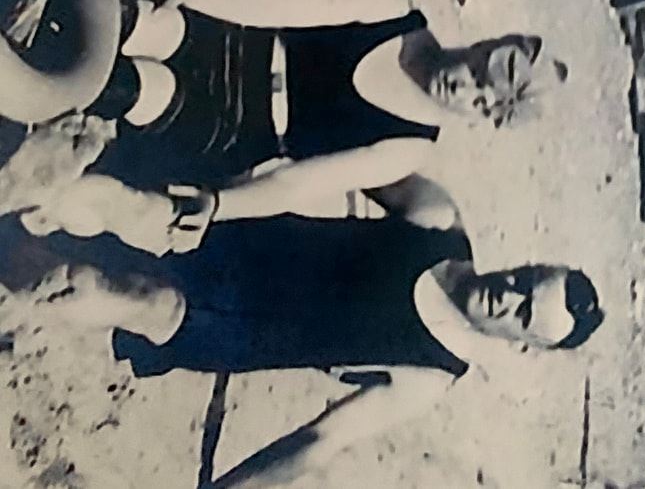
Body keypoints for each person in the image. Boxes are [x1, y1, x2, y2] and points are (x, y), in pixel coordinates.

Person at [27, 175, 604, 487]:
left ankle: (25, 295)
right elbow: (331, 163)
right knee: (73, 211)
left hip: (232, 327)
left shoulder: (429, 374)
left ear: (520, 344)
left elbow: (320, 441)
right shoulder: (437, 217)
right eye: (527, 281)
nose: (509, 298)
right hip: (237, 236)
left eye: (523, 316)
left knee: (116, 292)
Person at [15, 0, 568, 255]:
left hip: (234, 125)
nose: (466, 88)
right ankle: (21, 16)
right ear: (484, 45)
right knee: (135, 19)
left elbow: (295, 186)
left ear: (483, 120)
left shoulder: (408, 144)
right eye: (481, 72)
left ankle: (21, 102)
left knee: (133, 85)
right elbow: (279, 5)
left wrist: (219, 205)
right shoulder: (394, 12)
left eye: (481, 102)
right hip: (233, 42)